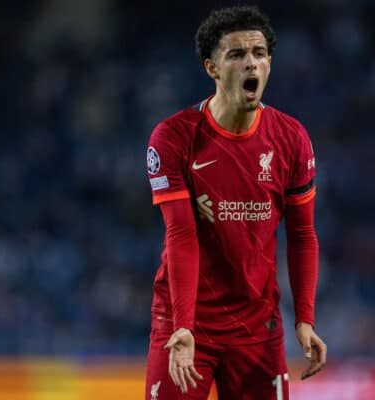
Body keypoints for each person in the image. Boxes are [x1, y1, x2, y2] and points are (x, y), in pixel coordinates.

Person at [144, 6, 326, 400]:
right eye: (237, 55)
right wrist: (185, 325)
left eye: (260, 54)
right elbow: (181, 234)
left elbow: (302, 234)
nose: (251, 63)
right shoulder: (173, 138)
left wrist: (305, 319)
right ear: (212, 68)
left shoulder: (291, 140)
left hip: (257, 327)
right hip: (185, 324)